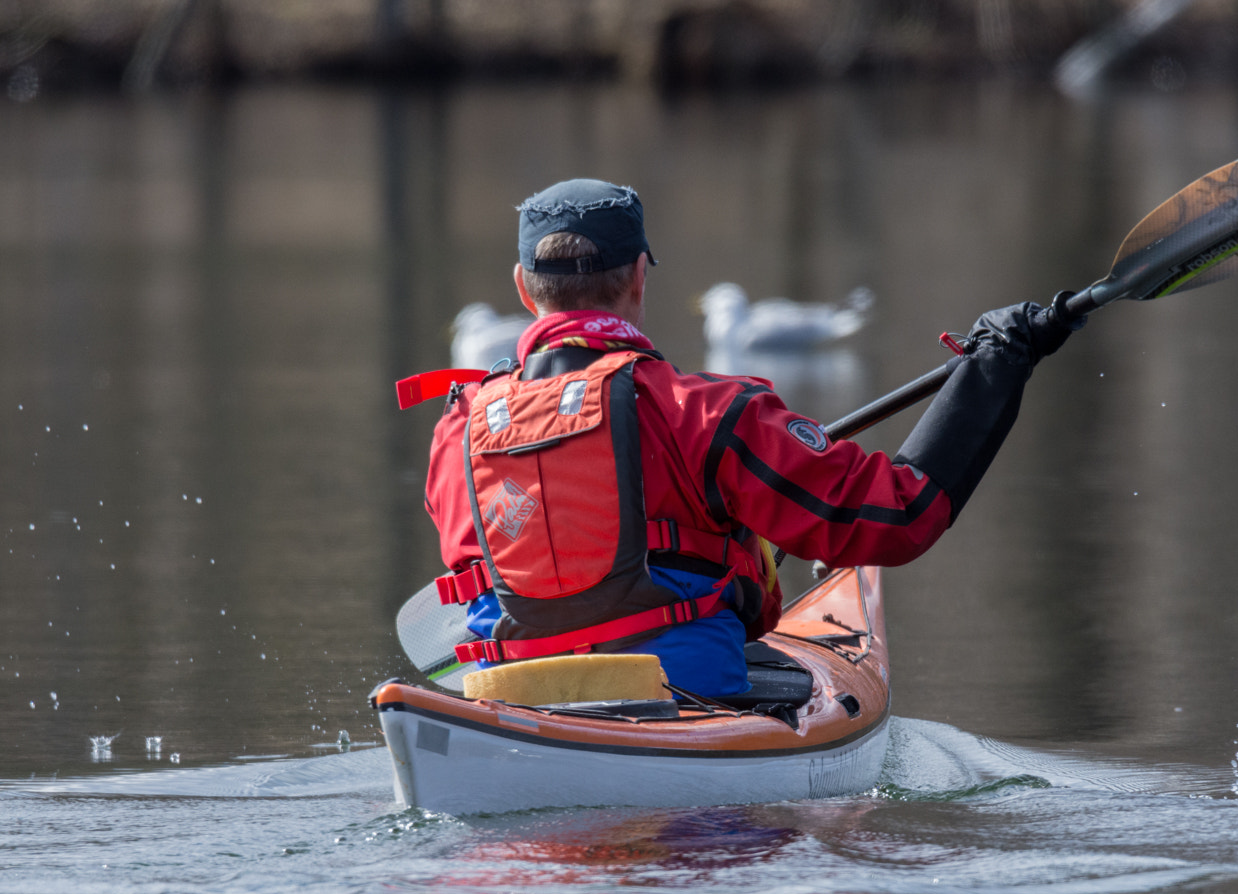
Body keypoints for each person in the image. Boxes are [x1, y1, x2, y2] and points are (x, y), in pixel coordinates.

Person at [401, 178, 1083, 697]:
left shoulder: (456, 431)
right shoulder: (708, 412)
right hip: (684, 700)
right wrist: (996, 367)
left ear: (524, 289)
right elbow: (898, 514)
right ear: (640, 278)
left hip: (508, 703)